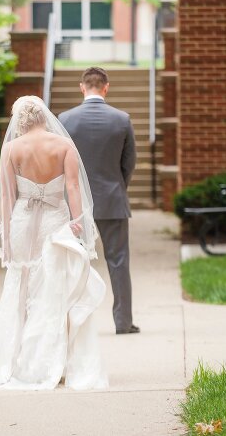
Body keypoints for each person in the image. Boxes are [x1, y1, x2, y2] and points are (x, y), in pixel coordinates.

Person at [0, 96, 107, 390]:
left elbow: (8, 196)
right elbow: (73, 187)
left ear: (19, 122)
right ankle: (52, 361)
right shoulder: (63, 146)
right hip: (55, 222)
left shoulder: (11, 148)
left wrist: (6, 235)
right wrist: (78, 225)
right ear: (45, 118)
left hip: (22, 223)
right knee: (54, 288)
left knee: (20, 286)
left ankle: (15, 360)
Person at [59, 67, 138, 334]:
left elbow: (60, 164)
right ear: (106, 87)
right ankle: (123, 322)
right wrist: (118, 187)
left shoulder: (66, 120)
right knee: (118, 261)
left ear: (82, 87)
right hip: (113, 200)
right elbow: (129, 163)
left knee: (76, 264)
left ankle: (75, 323)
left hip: (76, 205)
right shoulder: (122, 119)